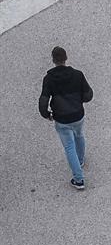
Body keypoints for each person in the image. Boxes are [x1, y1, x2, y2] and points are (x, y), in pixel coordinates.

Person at [38, 46, 93, 190]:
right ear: (66, 58)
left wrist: (47, 114)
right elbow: (88, 95)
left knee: (69, 147)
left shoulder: (49, 79)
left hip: (61, 119)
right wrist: (79, 100)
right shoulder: (78, 75)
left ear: (53, 60)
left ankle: (79, 179)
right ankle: (80, 160)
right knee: (80, 135)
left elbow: (43, 100)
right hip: (78, 115)